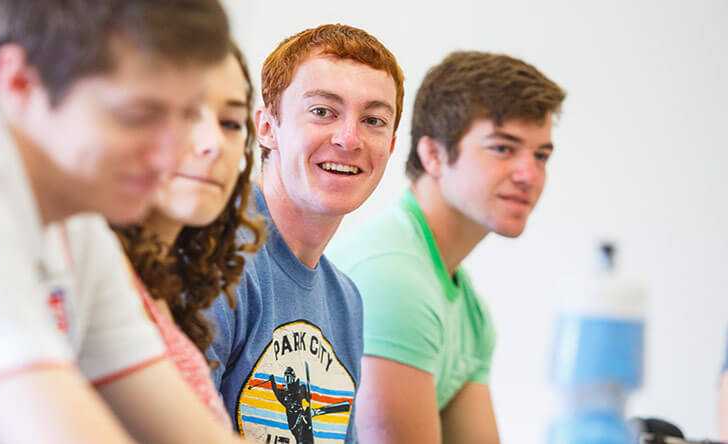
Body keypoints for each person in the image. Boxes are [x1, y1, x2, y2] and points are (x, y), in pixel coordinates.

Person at [0, 1, 243, 443]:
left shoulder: (75, 220)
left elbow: (184, 429)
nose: (173, 153)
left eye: (186, 115)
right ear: (18, 80)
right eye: (138, 117)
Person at [328, 51, 566, 443]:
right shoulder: (395, 278)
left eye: (541, 155)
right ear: (434, 154)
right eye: (503, 148)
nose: (529, 175)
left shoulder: (468, 310)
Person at [205, 24, 404, 443]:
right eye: (322, 111)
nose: (349, 139)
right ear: (266, 126)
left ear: (391, 144)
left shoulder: (345, 300)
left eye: (373, 120)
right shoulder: (214, 256)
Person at [112, 41, 264, 424]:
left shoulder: (169, 291)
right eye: (185, 115)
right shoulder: (92, 273)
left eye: (231, 123)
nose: (213, 144)